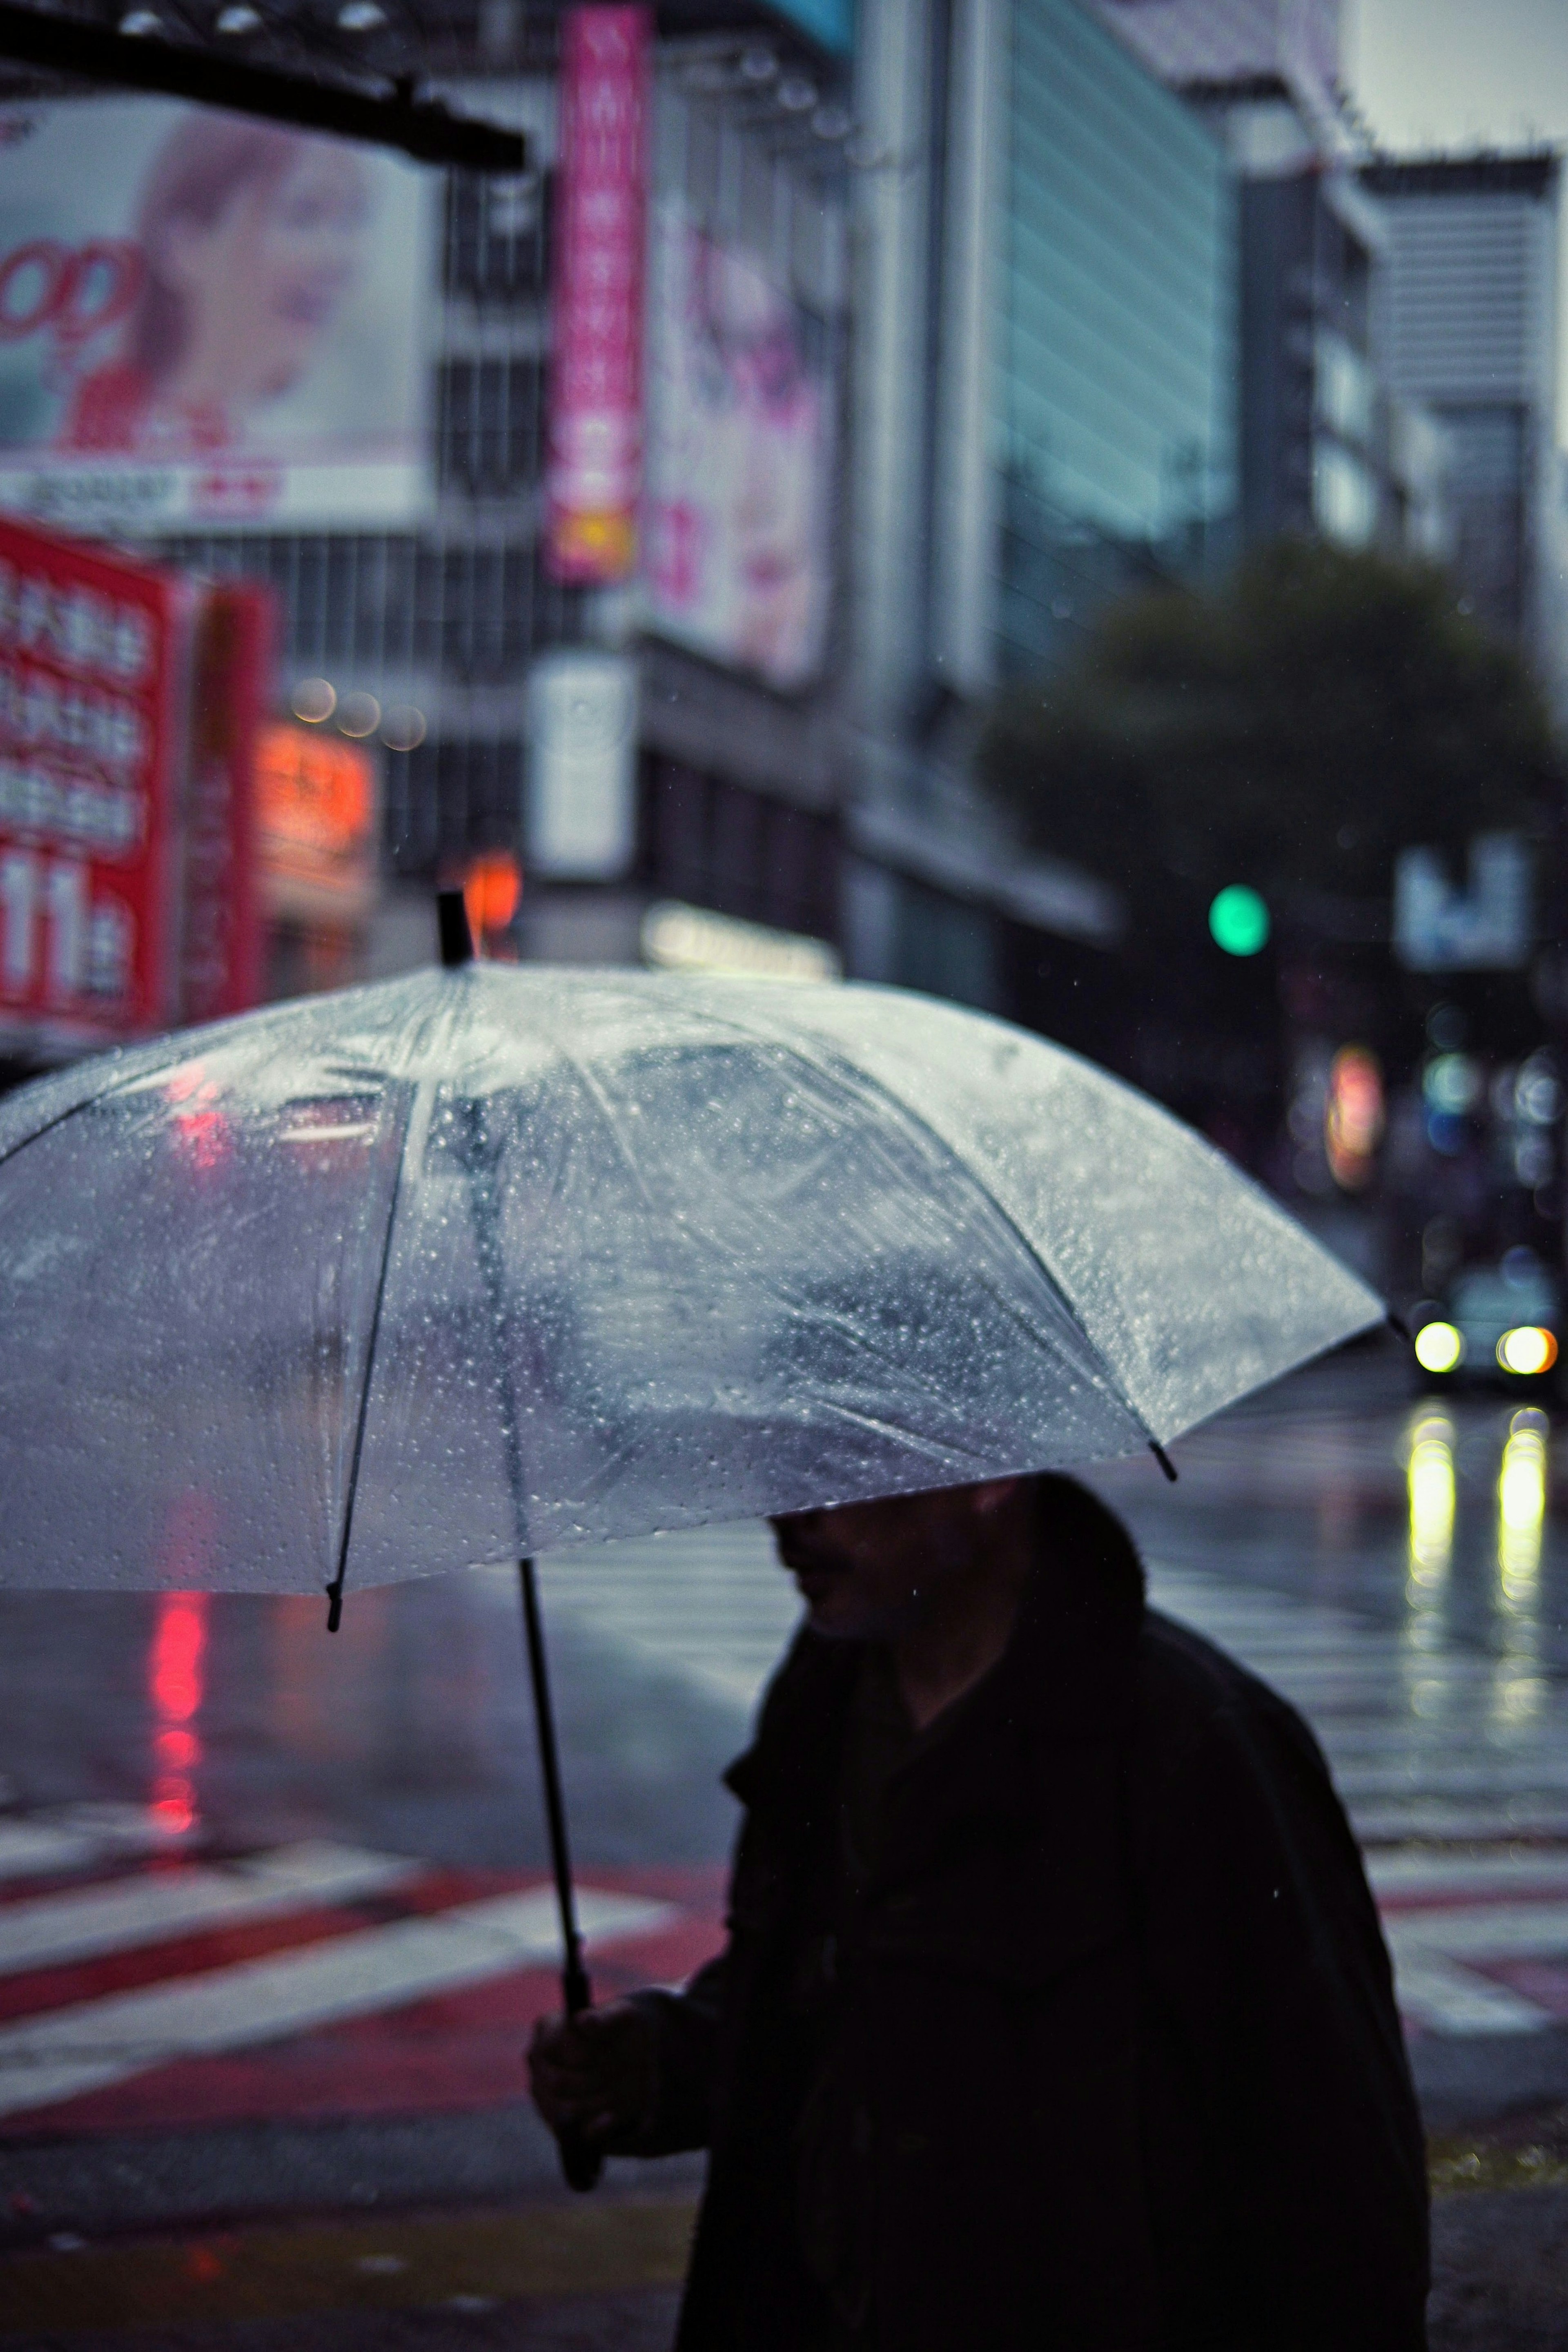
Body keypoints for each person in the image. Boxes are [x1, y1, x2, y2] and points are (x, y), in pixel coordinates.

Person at [528, 1473, 1430, 2351]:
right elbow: (824, 1999)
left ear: (984, 1473)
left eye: (841, 1467)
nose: (792, 1515)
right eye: (788, 1464)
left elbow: (1331, 2162)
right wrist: (661, 2059)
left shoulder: (1188, 1740)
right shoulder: (825, 1703)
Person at [63, 116, 368, 455]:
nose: (339, 258)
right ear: (184, 247)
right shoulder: (89, 437)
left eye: (352, 221)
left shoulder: (316, 451)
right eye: (305, 214)